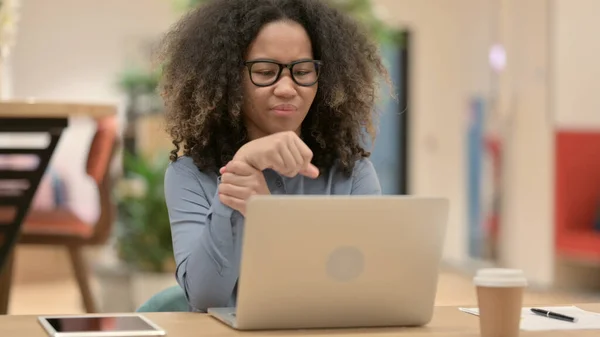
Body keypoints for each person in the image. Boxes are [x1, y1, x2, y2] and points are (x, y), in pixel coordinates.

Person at [160, 0, 391, 312]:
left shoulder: (351, 173)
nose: (286, 88)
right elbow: (205, 298)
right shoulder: (190, 175)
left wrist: (267, 213)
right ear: (230, 80)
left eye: (303, 71)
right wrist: (238, 175)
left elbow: (366, 286)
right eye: (266, 71)